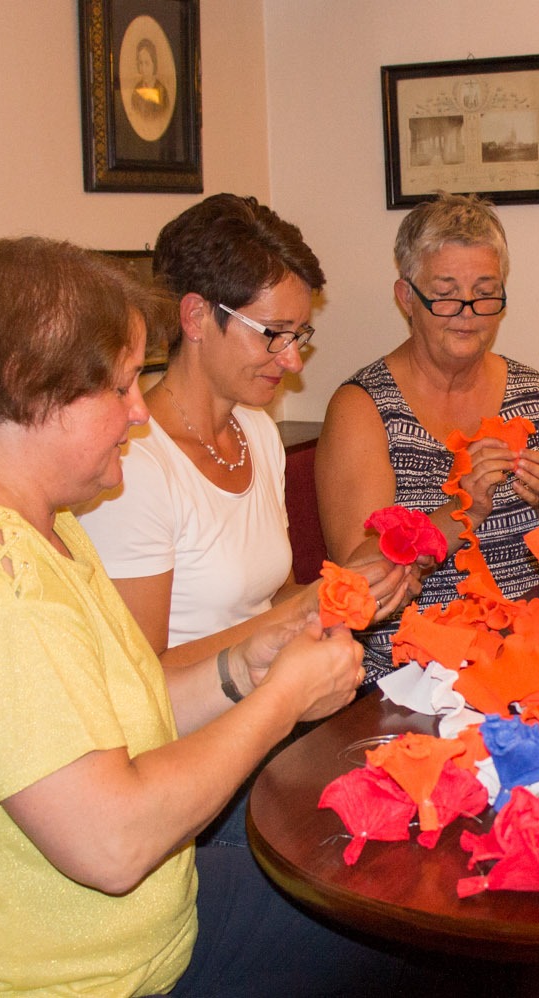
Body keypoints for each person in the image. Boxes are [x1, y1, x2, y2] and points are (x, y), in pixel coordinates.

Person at [0, 237, 419, 997]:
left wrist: (245, 670)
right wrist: (283, 700)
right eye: (119, 387)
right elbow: (112, 846)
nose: (139, 412)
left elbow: (117, 711)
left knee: (391, 883)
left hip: (143, 926)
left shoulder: (13, 515)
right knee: (412, 932)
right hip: (57, 980)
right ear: (28, 389)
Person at [76, 193, 415, 846]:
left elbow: (269, 599)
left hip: (273, 729)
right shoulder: (134, 465)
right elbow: (139, 681)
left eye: (300, 336)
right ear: (196, 316)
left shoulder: (255, 432)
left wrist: (351, 592)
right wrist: (304, 611)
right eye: (274, 334)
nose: (292, 361)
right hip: (193, 764)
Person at [316, 191, 539, 684]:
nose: (469, 312)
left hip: (535, 654)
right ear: (406, 298)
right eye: (446, 293)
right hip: (411, 672)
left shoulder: (536, 396)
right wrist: (465, 511)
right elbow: (359, 586)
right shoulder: (363, 408)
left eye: (485, 292)